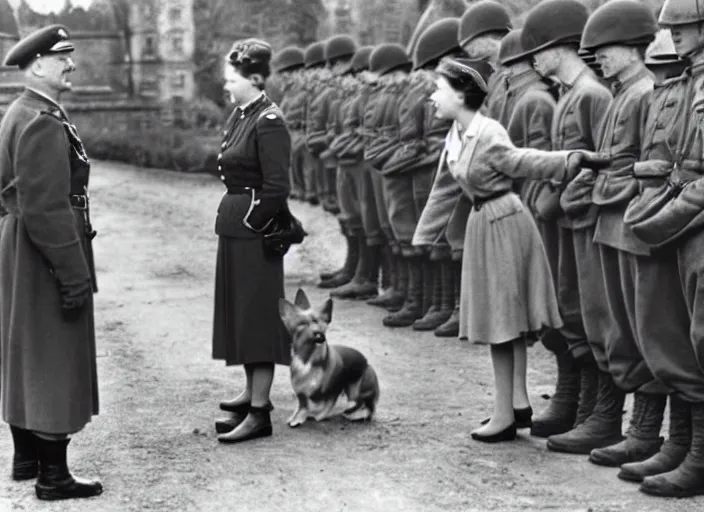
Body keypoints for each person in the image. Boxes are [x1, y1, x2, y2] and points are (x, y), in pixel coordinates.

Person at [428, 56, 609, 442]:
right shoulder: (456, 136)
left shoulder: (488, 132)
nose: (432, 97)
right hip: (485, 222)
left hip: (504, 223)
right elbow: (444, 189)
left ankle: (504, 415)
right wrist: (424, 237)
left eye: (438, 89)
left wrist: (571, 159)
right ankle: (519, 403)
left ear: (461, 95)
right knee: (505, 319)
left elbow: (522, 160)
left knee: (503, 322)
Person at [0, 24, 102, 500]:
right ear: (37, 64)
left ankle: (26, 456)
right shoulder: (41, 120)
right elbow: (46, 207)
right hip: (46, 251)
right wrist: (73, 272)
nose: (72, 64)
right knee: (53, 354)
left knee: (25, 350)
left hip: (22, 246)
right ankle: (54, 476)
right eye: (63, 57)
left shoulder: (20, 112)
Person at [572, 0, 668, 466]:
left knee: (642, 328)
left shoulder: (645, 91)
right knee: (612, 326)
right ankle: (618, 421)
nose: (598, 56)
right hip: (609, 223)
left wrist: (602, 186)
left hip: (631, 224)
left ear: (633, 46)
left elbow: (642, 167)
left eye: (606, 47)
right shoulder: (620, 92)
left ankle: (646, 431)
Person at [519, 0, 613, 441]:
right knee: (567, 308)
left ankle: (598, 413)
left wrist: (560, 200)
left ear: (561, 46)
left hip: (587, 224)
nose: (533, 57)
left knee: (593, 312)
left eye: (539, 48)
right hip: (563, 223)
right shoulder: (567, 96)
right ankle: (572, 399)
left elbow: (605, 164)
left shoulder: (593, 95)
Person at [621, 0, 704, 497]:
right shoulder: (688, 81)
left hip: (694, 215)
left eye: (686, 26)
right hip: (685, 217)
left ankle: (699, 456)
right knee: (680, 333)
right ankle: (686, 445)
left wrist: (674, 208)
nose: (675, 34)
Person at [212, 38, 291, 444]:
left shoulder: (269, 121)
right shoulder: (244, 115)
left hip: (252, 235)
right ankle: (250, 394)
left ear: (255, 79)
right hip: (236, 230)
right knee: (243, 317)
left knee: (258, 320)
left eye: (231, 78)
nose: (226, 85)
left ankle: (260, 412)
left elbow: (277, 187)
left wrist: (252, 223)